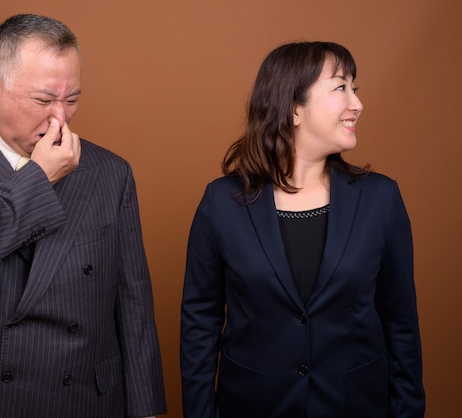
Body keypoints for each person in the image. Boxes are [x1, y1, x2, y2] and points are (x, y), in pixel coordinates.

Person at [0, 14, 166, 418]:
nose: (60, 118)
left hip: (80, 399)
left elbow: (133, 302)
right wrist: (39, 179)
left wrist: (146, 409)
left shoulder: (111, 173)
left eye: (72, 99)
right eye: (44, 100)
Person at [180, 41, 425, 418]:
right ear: (294, 108)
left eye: (354, 88)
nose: (357, 103)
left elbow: (401, 322)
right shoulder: (220, 202)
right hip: (253, 405)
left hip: (355, 406)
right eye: (341, 87)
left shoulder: (381, 198)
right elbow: (200, 321)